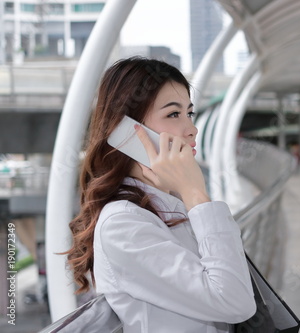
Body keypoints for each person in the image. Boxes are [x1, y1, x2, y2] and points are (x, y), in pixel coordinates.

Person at [64, 57, 256, 332]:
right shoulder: (123, 224)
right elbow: (235, 302)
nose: (192, 129)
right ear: (125, 132)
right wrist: (194, 193)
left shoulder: (165, 202)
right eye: (173, 114)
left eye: (189, 113)